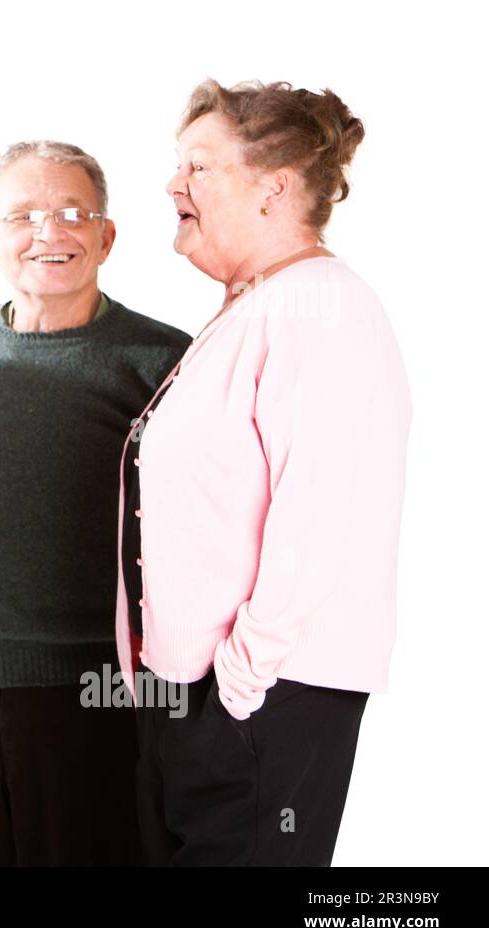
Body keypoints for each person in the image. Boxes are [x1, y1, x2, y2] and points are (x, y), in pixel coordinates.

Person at [121, 80, 412, 865]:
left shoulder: (323, 308)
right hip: (197, 699)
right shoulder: (254, 306)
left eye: (199, 166)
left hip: (258, 703)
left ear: (275, 188)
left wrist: (236, 694)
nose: (173, 185)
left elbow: (316, 518)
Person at [0, 141, 190, 865]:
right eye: (23, 216)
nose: (49, 233)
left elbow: (189, 531)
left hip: (104, 689)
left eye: (72, 213)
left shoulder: (164, 361)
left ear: (106, 236)